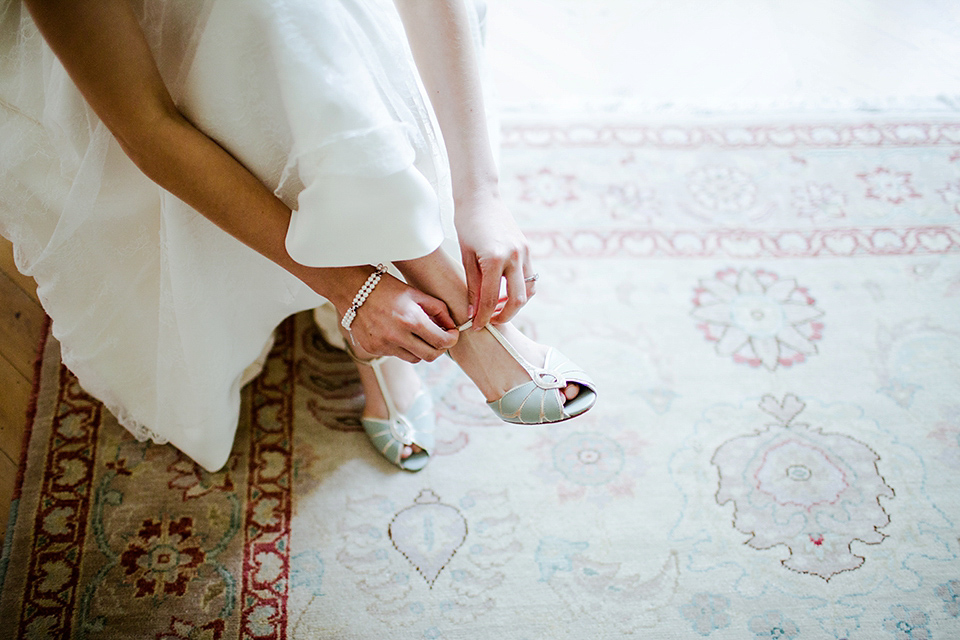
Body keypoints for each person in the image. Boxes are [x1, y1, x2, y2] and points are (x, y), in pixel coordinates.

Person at [1, 0, 596, 472]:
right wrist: (348, 289)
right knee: (277, 24)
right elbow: (146, 125)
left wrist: (480, 192)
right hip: (177, 72)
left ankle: (424, 323)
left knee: (315, 29)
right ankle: (474, 329)